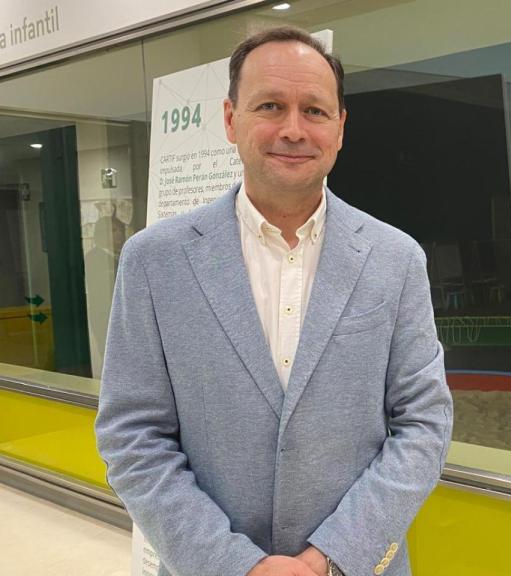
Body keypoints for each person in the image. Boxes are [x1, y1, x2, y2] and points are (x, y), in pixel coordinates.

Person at [95, 26, 452, 576]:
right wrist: (237, 564)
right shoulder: (153, 262)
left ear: (340, 128)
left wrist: (330, 559)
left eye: (314, 110)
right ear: (231, 119)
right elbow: (132, 436)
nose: (293, 129)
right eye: (270, 105)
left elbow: (423, 423)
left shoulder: (394, 257)